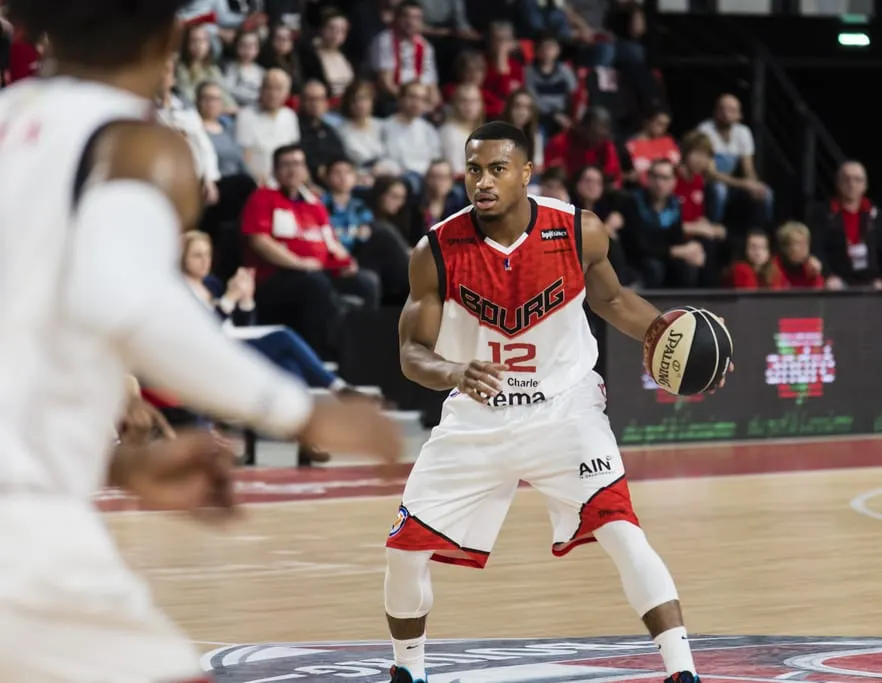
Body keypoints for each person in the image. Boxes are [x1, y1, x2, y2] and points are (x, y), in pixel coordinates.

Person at [0, 2, 401, 682]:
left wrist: (114, 467)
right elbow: (127, 298)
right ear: (173, 41)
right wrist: (304, 411)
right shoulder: (135, 140)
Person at [383, 121, 730, 683]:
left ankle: (682, 672)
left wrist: (676, 339)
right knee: (403, 551)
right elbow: (410, 353)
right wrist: (453, 370)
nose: (484, 182)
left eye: (498, 169)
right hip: (478, 417)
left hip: (565, 410)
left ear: (526, 172)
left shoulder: (577, 231)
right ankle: (408, 672)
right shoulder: (436, 250)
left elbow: (615, 300)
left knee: (620, 529)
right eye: (474, 170)